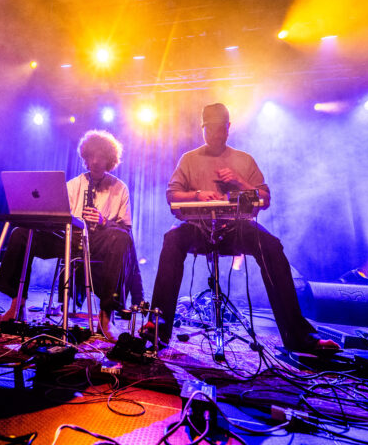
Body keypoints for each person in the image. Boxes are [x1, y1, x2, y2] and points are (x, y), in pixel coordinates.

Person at [140, 103, 337, 352]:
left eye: (219, 128)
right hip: (199, 228)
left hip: (236, 228)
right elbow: (172, 195)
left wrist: (239, 182)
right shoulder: (189, 159)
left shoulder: (244, 159)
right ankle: (157, 328)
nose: (213, 134)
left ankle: (299, 337)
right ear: (203, 129)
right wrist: (198, 195)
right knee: (172, 239)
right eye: (208, 129)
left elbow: (265, 199)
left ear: (228, 128)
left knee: (271, 246)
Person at [0, 130, 140, 341]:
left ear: (110, 159)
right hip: (69, 238)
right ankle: (16, 306)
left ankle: (105, 317)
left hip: (101, 240)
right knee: (21, 233)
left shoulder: (120, 188)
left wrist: (104, 221)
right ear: (85, 157)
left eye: (101, 156)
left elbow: (126, 228)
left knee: (121, 239)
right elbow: (57, 213)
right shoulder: (74, 184)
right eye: (91, 156)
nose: (95, 161)